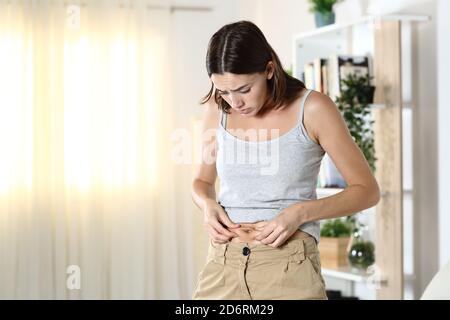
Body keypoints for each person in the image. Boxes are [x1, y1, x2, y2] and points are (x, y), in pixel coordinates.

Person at [190, 20, 380, 300]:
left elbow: (367, 191)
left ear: (269, 70)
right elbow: (202, 181)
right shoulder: (216, 109)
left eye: (243, 89)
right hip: (223, 263)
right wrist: (207, 205)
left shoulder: (313, 109)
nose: (234, 102)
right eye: (224, 91)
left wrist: (300, 213)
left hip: (289, 268)